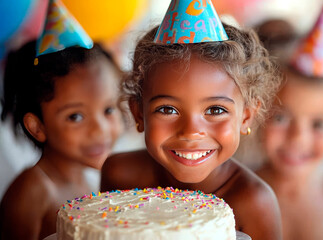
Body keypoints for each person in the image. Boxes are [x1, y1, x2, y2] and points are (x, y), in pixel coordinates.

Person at [101, 19, 284, 239]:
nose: (190, 131)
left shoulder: (253, 202)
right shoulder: (121, 176)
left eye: (215, 110)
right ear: (138, 113)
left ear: (246, 116)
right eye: (167, 109)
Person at [255, 5, 323, 240]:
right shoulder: (241, 187)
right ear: (258, 112)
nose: (297, 138)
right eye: (281, 117)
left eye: (319, 124)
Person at [0, 40, 123, 240]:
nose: (100, 130)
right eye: (75, 116)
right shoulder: (33, 191)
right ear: (37, 127)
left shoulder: (94, 179)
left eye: (108, 109)